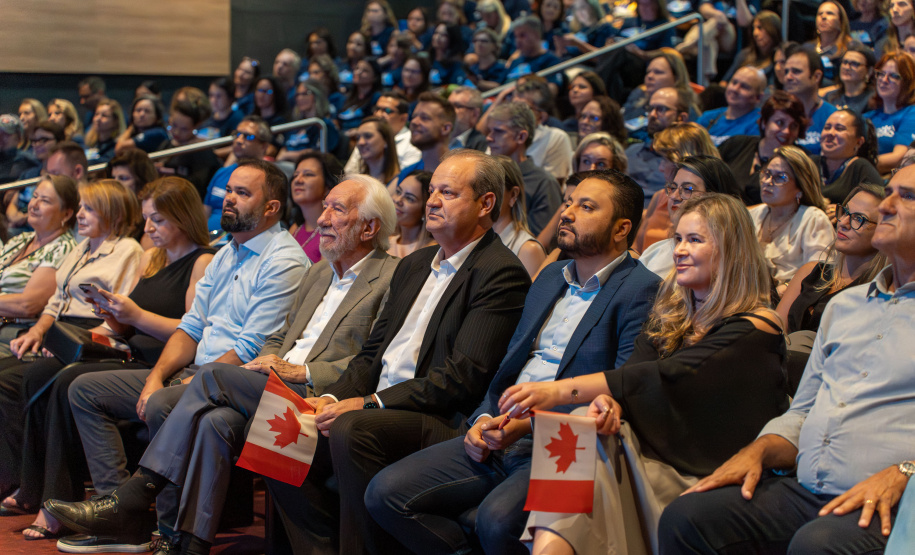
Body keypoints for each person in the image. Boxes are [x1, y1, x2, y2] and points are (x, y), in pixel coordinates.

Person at [50, 149, 532, 554]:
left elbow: (460, 378)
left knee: (224, 383)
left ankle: (134, 499)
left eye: (449, 192)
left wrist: (357, 401)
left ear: (487, 203)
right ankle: (202, 542)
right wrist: (335, 397)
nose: (432, 201)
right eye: (433, 191)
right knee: (265, 427)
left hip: (427, 415)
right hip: (358, 399)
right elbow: (369, 358)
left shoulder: (497, 271)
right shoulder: (416, 265)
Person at [48, 175, 400, 554]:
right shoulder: (318, 273)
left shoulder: (391, 276)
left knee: (211, 376)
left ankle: (133, 497)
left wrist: (304, 372)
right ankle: (188, 543)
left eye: (337, 209)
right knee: (213, 420)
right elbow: (278, 335)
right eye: (325, 207)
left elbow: (375, 357)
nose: (322, 219)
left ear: (370, 227)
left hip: (319, 392)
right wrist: (268, 360)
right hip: (270, 380)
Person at [367, 168, 663, 555]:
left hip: (569, 441)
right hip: (502, 426)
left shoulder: (642, 290)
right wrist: (484, 419)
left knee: (496, 519)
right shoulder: (552, 275)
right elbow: (510, 365)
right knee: (385, 495)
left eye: (586, 206)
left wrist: (522, 426)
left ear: (622, 228)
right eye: (569, 201)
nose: (568, 213)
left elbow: (620, 389)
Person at [498, 192, 789, 555]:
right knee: (576, 430)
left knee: (578, 433)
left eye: (695, 240)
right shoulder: (672, 311)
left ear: (732, 250)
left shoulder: (758, 326)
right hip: (647, 450)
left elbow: (665, 375)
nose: (679, 250)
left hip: (697, 469)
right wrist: (607, 404)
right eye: (678, 239)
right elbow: (632, 371)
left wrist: (559, 392)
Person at [659, 166, 915, 555]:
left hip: (894, 501)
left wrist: (906, 473)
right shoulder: (845, 306)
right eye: (890, 193)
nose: (887, 205)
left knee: (817, 545)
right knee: (688, 515)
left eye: (907, 196)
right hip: (807, 488)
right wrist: (756, 451)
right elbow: (803, 411)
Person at [7, 177, 214, 542]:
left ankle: (108, 505)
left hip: (165, 363)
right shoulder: (153, 258)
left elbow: (191, 331)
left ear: (182, 219)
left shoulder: (202, 261)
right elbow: (127, 323)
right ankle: (75, 499)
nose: (149, 227)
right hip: (131, 351)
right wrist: (112, 311)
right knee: (54, 379)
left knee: (65, 380)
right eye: (148, 218)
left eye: (159, 220)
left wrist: (133, 316)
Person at [0, 179, 143, 528]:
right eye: (79, 207)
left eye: (88, 208)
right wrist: (37, 331)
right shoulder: (79, 248)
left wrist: (70, 340)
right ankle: (25, 483)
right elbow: (54, 302)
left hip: (97, 341)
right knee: (9, 378)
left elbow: (121, 314)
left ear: (112, 212)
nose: (79, 214)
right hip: (61, 335)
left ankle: (55, 498)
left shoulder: (127, 250)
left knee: (38, 379)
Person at [775, 183, 886, 393]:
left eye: (858, 219)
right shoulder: (810, 271)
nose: (842, 222)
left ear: (883, 231)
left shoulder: (879, 291)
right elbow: (775, 330)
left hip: (830, 386)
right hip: (780, 376)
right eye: (844, 212)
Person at [0, 175, 79, 356]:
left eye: (44, 201)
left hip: (16, 334)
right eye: (35, 196)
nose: (34, 205)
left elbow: (29, 305)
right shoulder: (21, 240)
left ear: (66, 214)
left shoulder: (63, 248)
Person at [639, 156, 742, 279]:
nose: (674, 196)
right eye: (673, 188)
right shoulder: (655, 251)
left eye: (687, 189)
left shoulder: (730, 260)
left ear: (716, 197)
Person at [750, 146, 835, 294]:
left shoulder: (813, 219)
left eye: (780, 177)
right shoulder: (753, 215)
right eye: (767, 173)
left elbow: (818, 276)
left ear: (800, 187)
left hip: (793, 300)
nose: (768, 181)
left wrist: (780, 293)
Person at [718, 91, 809, 206]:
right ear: (764, 123)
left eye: (794, 126)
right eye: (780, 123)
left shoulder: (802, 160)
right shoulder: (736, 144)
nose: (786, 131)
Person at [486, 102, 562, 238]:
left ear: (521, 136)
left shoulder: (544, 183)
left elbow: (540, 243)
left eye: (498, 131)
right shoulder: (484, 175)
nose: (489, 137)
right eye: (489, 130)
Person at [202, 116, 270, 232]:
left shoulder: (268, 178)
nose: (239, 140)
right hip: (209, 240)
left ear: (263, 146)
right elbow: (204, 214)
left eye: (248, 136)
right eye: (237, 134)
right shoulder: (222, 173)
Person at [625, 87, 692, 206]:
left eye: (661, 109)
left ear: (682, 118)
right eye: (650, 109)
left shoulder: (686, 162)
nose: (652, 115)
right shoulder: (630, 151)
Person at [622, 49, 697, 143]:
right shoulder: (638, 99)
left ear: (676, 77)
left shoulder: (687, 108)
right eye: (648, 72)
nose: (650, 76)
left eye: (658, 72)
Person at [814, 109, 883, 208]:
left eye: (840, 129)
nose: (830, 133)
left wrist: (844, 212)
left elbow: (877, 208)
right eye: (827, 127)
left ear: (859, 142)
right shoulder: (810, 163)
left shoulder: (861, 168)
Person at [491, 155, 546, 276]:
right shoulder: (474, 241)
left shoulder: (529, 250)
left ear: (513, 194)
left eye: (492, 187)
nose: (484, 195)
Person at [156, 100, 222, 200]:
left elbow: (199, 186)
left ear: (195, 127)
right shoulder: (167, 144)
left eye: (184, 129)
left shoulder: (202, 150)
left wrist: (172, 173)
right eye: (173, 125)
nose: (177, 132)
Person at [344, 92, 421, 177]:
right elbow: (349, 173)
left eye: (387, 111)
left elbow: (404, 181)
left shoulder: (412, 143)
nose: (379, 114)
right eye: (377, 109)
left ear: (403, 118)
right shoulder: (364, 139)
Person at [513, 79, 575, 183]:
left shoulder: (556, 138)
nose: (513, 113)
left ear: (541, 116)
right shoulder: (502, 134)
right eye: (512, 106)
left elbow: (552, 186)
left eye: (522, 108)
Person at [288, 151, 344, 263]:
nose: (298, 180)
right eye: (295, 175)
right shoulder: (295, 228)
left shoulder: (333, 232)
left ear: (328, 186)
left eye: (308, 174)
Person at [864, 52, 915, 173]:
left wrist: (856, 168)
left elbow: (898, 158)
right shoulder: (867, 116)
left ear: (907, 82)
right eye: (881, 74)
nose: (884, 80)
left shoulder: (911, 114)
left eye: (894, 76)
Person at [784, 47, 838, 156]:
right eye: (786, 71)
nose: (788, 77)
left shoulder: (832, 116)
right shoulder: (779, 114)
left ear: (816, 76)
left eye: (796, 71)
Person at [698, 67, 766, 146]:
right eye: (734, 82)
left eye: (744, 87)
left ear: (758, 97)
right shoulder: (707, 117)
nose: (735, 89)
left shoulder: (759, 123)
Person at [397, 92, 455, 181]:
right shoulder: (408, 173)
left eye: (424, 118)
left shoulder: (459, 173)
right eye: (414, 116)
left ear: (446, 128)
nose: (414, 122)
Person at [277, 80, 341, 161]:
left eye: (305, 94)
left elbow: (317, 154)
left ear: (317, 95)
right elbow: (283, 149)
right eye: (297, 95)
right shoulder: (295, 125)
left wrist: (287, 155)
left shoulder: (323, 125)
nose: (299, 98)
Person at [719, 10, 782, 86]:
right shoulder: (744, 54)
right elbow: (724, 82)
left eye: (760, 28)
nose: (755, 33)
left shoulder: (780, 57)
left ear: (773, 30)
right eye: (753, 28)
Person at [505, 16, 563, 88]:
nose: (518, 41)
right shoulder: (515, 62)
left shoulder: (550, 60)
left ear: (536, 35)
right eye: (516, 36)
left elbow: (552, 90)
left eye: (522, 35)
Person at [388, 170, 436, 258]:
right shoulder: (384, 243)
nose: (398, 200)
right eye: (398, 192)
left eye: (409, 198)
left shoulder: (433, 250)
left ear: (425, 209)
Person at [805, 1, 853, 86]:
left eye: (829, 13)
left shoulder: (851, 48)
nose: (823, 17)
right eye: (820, 14)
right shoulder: (807, 48)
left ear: (840, 22)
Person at [823, 42, 876, 114]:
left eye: (854, 64)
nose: (847, 67)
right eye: (844, 62)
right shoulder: (830, 97)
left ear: (869, 71)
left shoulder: (873, 99)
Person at [338, 58, 381, 134]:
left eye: (365, 71)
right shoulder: (346, 97)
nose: (358, 72)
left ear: (375, 77)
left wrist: (358, 131)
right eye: (357, 68)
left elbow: (375, 124)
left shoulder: (377, 98)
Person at [355, 117, 400, 188]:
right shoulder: (356, 181)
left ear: (385, 141)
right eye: (358, 138)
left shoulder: (399, 183)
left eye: (368, 136)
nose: (360, 142)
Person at [84, 98, 125, 165]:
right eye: (96, 114)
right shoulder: (90, 142)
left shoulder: (118, 146)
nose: (98, 119)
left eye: (104, 116)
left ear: (115, 121)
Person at [465, 28, 506, 92]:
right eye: (475, 41)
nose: (479, 44)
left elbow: (498, 86)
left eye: (484, 41)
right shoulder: (473, 68)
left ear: (494, 45)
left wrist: (477, 82)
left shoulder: (501, 67)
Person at [448, 87, 488, 152]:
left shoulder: (480, 144)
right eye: (448, 105)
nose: (449, 110)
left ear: (474, 114)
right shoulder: (435, 136)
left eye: (457, 106)